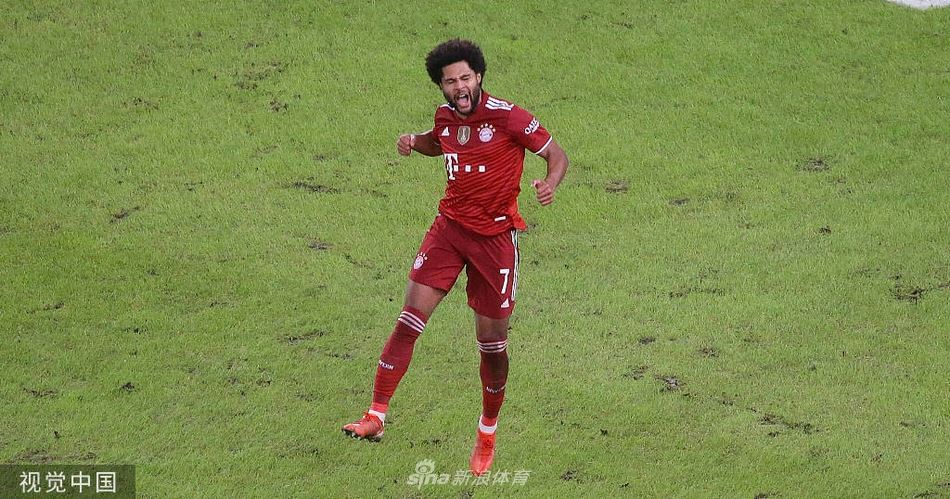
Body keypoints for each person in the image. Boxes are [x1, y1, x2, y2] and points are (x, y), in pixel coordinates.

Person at [342, 38, 569, 477]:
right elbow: (439, 141)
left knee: (492, 346)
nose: (459, 87)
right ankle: (376, 416)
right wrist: (413, 142)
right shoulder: (445, 117)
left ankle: (487, 432)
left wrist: (550, 183)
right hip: (448, 231)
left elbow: (556, 155)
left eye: (465, 78)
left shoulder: (509, 117)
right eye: (450, 81)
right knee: (409, 320)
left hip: (495, 242)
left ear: (478, 76)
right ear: (442, 86)